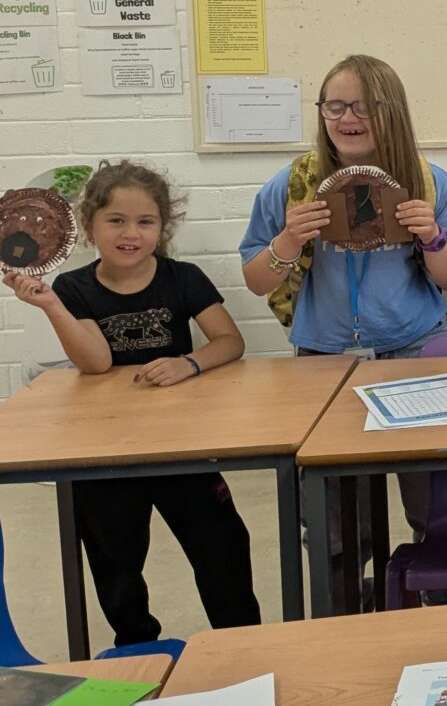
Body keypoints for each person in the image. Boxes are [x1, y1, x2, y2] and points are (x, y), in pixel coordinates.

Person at [238, 53, 447, 604]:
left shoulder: (428, 181)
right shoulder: (293, 185)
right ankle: (347, 619)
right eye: (335, 105)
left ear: (393, 113)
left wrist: (432, 237)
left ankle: (445, 617)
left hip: (417, 354)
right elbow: (253, 278)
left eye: (364, 106)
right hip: (326, 363)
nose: (348, 118)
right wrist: (288, 243)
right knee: (338, 519)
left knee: (438, 507)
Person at [5, 160, 260, 647]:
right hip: (107, 451)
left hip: (182, 447)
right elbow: (97, 363)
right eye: (115, 221)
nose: (131, 233)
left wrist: (190, 362)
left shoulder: (183, 278)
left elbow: (230, 341)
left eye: (145, 222)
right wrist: (53, 307)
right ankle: (137, 647)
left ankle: (241, 644)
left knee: (222, 548)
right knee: (115, 562)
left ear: (163, 228)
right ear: (90, 226)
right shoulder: (74, 288)